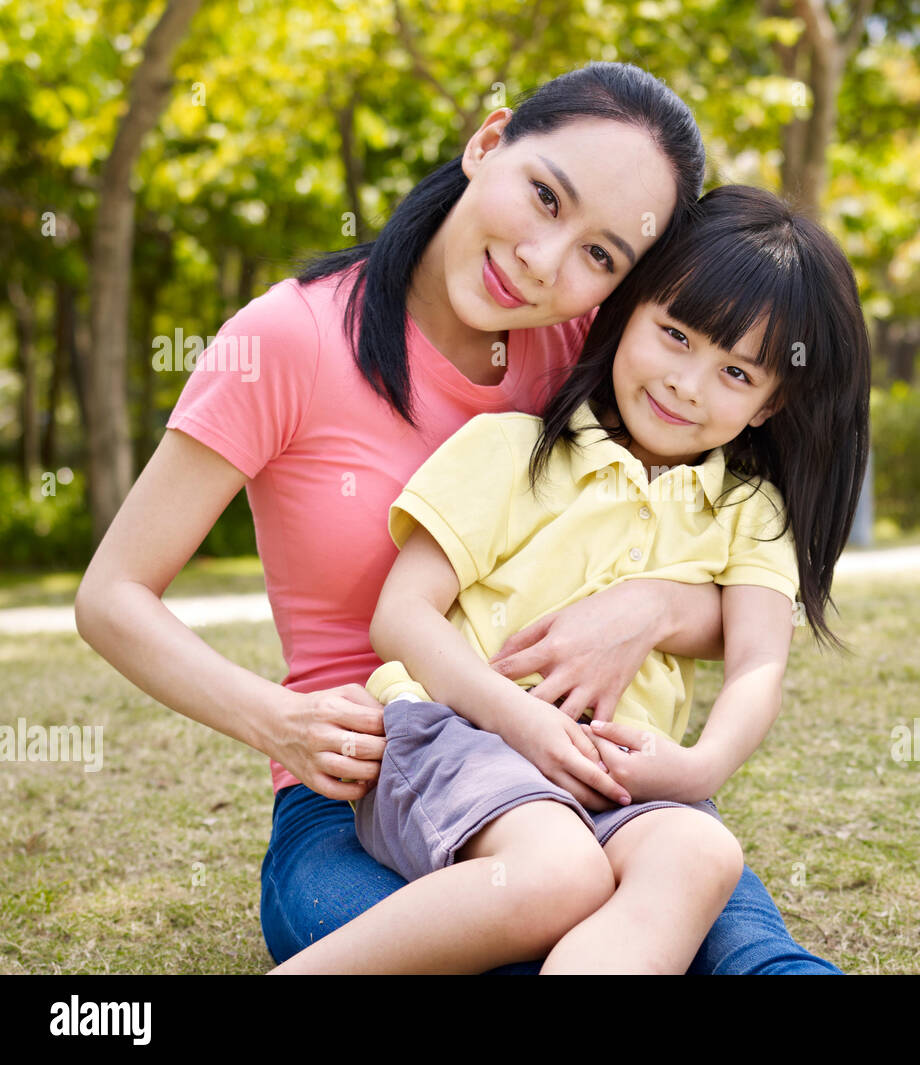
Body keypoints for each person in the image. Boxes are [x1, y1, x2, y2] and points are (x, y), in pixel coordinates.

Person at [74, 61, 847, 973]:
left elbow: (737, 601)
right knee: (523, 926)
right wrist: (276, 720)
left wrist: (647, 607)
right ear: (490, 142)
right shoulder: (283, 341)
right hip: (373, 774)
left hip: (580, 769)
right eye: (545, 198)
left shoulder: (591, 353)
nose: (544, 263)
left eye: (601, 255)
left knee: (721, 924)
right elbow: (111, 595)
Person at [269, 183, 871, 974]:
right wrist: (520, 722)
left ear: (769, 404)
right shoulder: (516, 449)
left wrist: (699, 767)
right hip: (460, 735)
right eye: (676, 335)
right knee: (559, 872)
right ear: (624, 315)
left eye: (736, 373)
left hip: (614, 773)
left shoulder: (749, 511)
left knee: (701, 850)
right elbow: (403, 615)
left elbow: (759, 660)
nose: (689, 383)